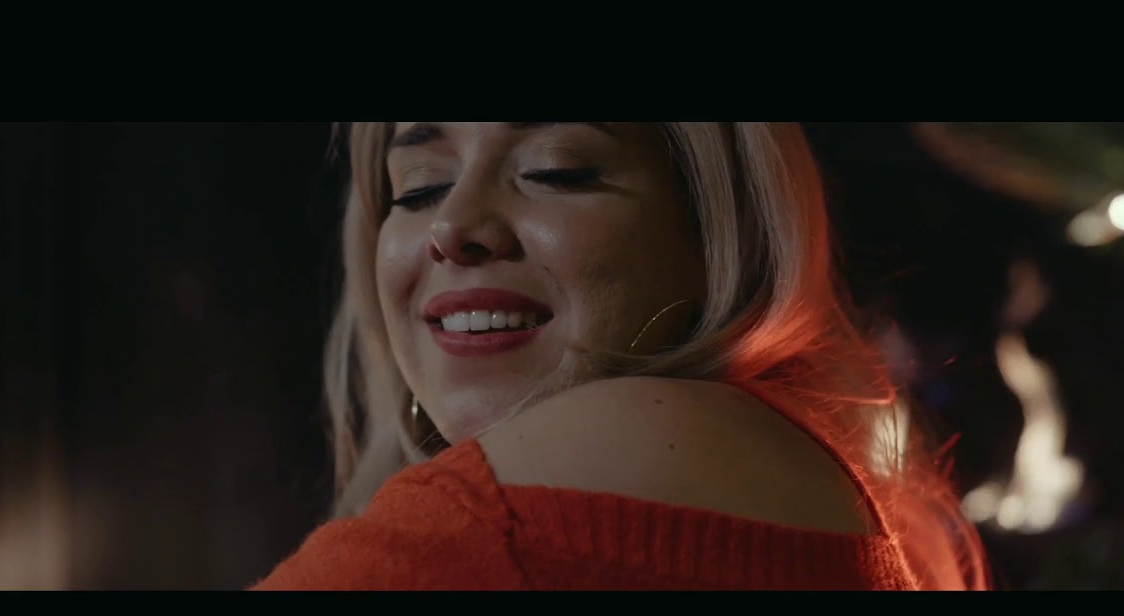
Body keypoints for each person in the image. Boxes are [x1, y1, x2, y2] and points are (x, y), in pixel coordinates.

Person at [252, 122, 991, 591]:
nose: (453, 226)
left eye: (556, 170)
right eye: (420, 188)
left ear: (714, 230)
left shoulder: (641, 434)